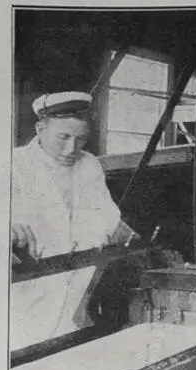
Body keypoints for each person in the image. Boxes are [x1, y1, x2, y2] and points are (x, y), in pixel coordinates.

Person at [11, 91, 123, 350]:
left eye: (81, 139)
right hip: (24, 296)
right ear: (40, 129)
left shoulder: (89, 165)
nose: (72, 148)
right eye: (63, 137)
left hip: (78, 290)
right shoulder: (12, 164)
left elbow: (107, 217)